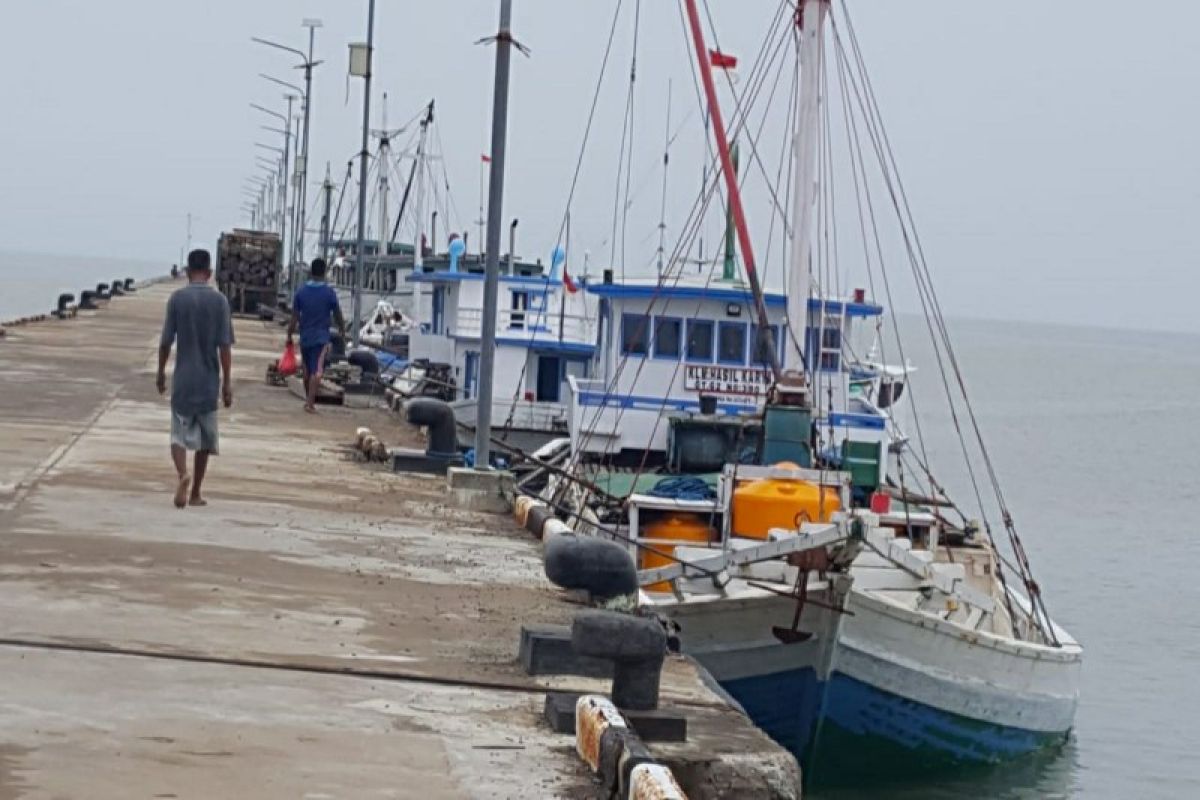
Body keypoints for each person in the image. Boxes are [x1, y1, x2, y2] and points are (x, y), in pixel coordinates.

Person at [157, 249, 234, 508]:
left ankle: (182, 474)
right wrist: (227, 383)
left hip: (183, 378)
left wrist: (160, 373)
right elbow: (225, 346)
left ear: (188, 273)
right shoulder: (220, 302)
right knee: (205, 439)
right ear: (210, 273)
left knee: (178, 434)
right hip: (209, 380)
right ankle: (196, 492)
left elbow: (166, 341)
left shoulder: (177, 299)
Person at [287, 258, 345, 413]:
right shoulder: (329, 293)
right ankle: (310, 403)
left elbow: (294, 317)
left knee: (307, 370)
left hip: (305, 337)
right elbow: (337, 313)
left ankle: (308, 399)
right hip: (321, 338)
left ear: (311, 272)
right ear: (325, 272)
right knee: (317, 371)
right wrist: (342, 329)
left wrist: (289, 334)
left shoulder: (301, 291)